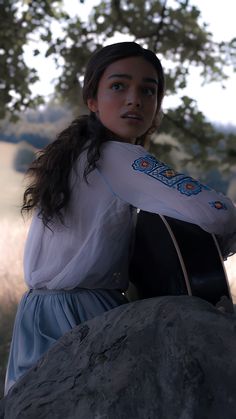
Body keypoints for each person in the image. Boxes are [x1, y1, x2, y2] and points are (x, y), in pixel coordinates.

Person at [4, 42, 236, 395]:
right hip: (84, 312)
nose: (135, 99)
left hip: (37, 312)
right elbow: (218, 214)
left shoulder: (72, 153)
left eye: (148, 90)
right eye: (118, 86)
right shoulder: (120, 156)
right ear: (92, 99)